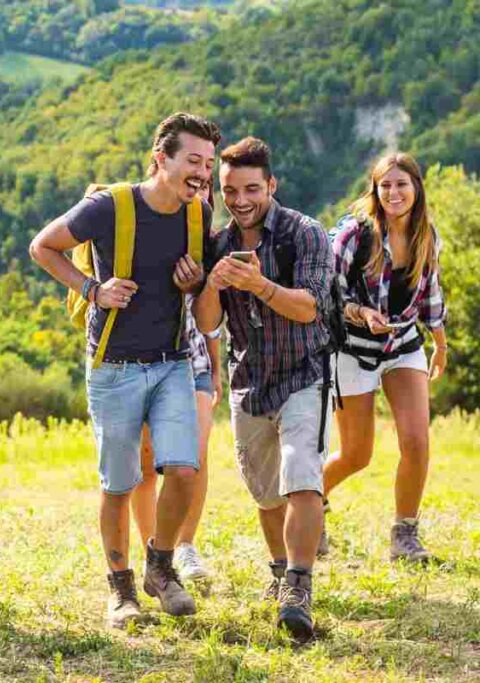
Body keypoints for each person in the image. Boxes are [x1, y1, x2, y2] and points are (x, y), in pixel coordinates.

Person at [30, 112, 218, 628]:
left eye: (208, 163)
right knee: (119, 483)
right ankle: (121, 592)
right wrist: (92, 289)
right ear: (162, 158)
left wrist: (196, 283)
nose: (203, 173)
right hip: (113, 367)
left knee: (183, 469)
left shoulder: (199, 216)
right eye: (192, 161)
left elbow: (206, 308)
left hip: (172, 363)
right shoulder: (109, 205)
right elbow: (42, 247)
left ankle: (160, 567)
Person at [194, 136, 333, 643]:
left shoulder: (304, 233)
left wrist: (260, 286)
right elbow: (207, 323)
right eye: (229, 190)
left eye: (251, 188)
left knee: (302, 476)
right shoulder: (217, 243)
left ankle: (299, 585)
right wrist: (212, 283)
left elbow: (311, 306)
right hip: (249, 380)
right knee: (267, 493)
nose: (240, 199)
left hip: (305, 372)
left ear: (271, 186)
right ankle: (280, 572)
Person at [322, 153, 447, 564]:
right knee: (358, 454)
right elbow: (326, 297)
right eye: (385, 185)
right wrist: (361, 313)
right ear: (374, 190)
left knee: (416, 441)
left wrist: (440, 345)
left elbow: (430, 297)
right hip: (354, 350)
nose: (394, 193)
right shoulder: (353, 237)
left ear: (417, 188)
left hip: (402, 346)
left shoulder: (426, 235)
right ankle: (310, 503)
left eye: (402, 184)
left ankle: (405, 534)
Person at [130, 180, 223, 582]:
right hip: (143, 361)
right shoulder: (141, 227)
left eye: (206, 186)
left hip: (195, 361)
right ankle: (155, 551)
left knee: (193, 459)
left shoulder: (210, 242)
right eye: (193, 182)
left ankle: (183, 547)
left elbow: (213, 317)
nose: (199, 192)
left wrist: (217, 366)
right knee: (146, 466)